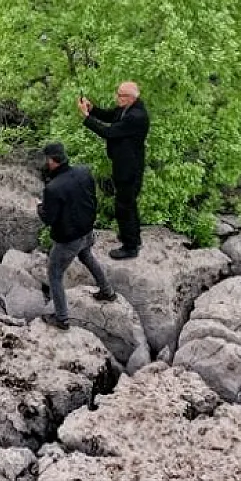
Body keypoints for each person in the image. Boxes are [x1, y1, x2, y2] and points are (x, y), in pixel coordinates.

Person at [36, 142, 117, 329]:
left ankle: (62, 318)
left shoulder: (53, 188)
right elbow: (90, 198)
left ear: (52, 160)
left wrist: (39, 207)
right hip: (87, 230)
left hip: (68, 240)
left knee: (55, 274)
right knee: (86, 256)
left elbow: (48, 219)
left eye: (46, 159)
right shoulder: (84, 172)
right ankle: (107, 291)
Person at [79, 82, 149, 260]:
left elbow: (109, 132)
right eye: (118, 94)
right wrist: (92, 109)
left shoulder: (136, 116)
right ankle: (132, 236)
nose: (117, 98)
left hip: (130, 168)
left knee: (124, 206)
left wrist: (86, 117)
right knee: (128, 203)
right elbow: (110, 116)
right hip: (123, 164)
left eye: (121, 95)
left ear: (131, 98)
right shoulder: (125, 109)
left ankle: (130, 247)